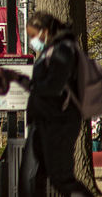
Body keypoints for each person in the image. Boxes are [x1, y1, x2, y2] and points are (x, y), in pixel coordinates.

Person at [13, 11, 93, 197]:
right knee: (32, 177)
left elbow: (53, 85)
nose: (32, 40)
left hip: (57, 121)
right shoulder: (50, 50)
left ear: (45, 31)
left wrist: (29, 83)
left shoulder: (63, 50)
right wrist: (20, 79)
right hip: (44, 120)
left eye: (33, 35)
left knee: (60, 178)